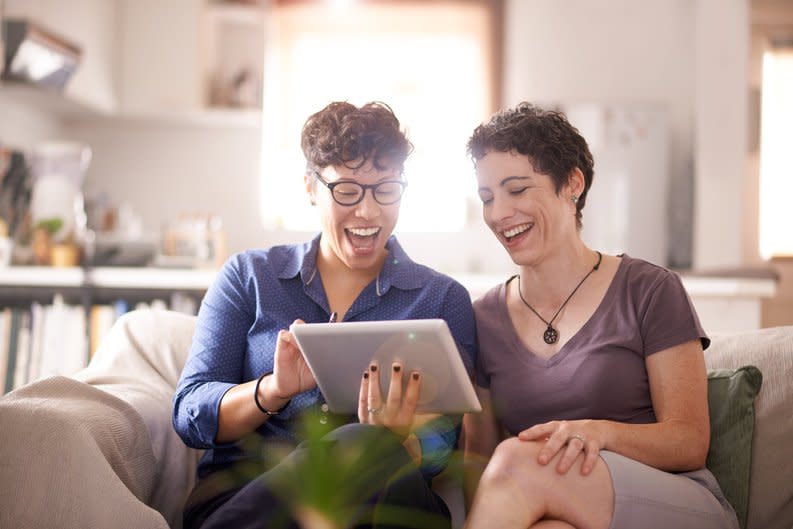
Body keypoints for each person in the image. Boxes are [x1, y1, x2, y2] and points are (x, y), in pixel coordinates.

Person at [173, 101, 476, 529]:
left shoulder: (441, 300)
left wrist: (397, 439)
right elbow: (190, 412)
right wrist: (273, 390)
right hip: (249, 495)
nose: (368, 212)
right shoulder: (251, 277)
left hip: (383, 508)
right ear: (311, 187)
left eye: (386, 189)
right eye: (347, 190)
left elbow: (442, 446)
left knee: (365, 443)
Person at [461, 102, 739, 529]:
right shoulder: (484, 319)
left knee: (518, 459)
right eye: (487, 198)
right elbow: (478, 463)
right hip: (553, 509)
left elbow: (689, 441)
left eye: (516, 190)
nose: (498, 214)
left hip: (674, 501)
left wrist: (600, 432)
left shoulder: (649, 290)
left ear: (572, 183)